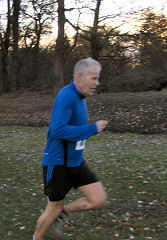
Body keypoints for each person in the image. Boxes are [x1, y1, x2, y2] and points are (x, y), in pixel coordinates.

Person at [32, 57, 108, 240]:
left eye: (98, 79)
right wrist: (91, 129)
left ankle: (62, 213)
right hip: (57, 163)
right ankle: (37, 237)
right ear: (80, 76)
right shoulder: (67, 95)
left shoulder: (80, 98)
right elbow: (57, 129)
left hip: (75, 162)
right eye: (93, 78)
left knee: (98, 199)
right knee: (53, 208)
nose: (97, 83)